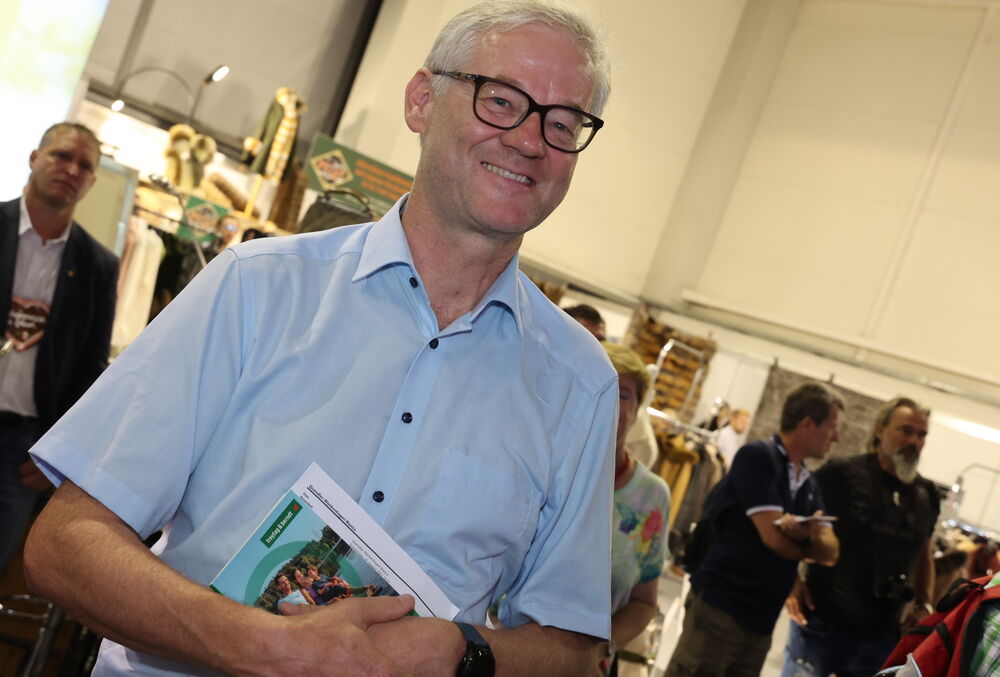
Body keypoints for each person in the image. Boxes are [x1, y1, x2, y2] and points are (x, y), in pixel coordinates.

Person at [24, 2, 616, 675]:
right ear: (421, 100)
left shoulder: (580, 384)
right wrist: (261, 644)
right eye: (501, 100)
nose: (530, 140)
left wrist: (466, 651)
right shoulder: (257, 287)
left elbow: (573, 650)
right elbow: (63, 544)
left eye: (562, 123)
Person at [0, 122, 117, 574]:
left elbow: (91, 369)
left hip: (22, 450)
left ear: (91, 182)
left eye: (84, 165)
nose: (71, 169)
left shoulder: (98, 266)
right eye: (61, 155)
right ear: (35, 158)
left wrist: (59, 450)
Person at [666, 383, 842, 677]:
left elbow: (831, 551)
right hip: (721, 607)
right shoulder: (758, 457)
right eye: (831, 427)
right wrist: (809, 542)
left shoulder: (808, 483)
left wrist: (802, 536)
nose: (835, 437)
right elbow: (773, 539)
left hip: (761, 621)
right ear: (807, 424)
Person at [782, 397, 940, 677]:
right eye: (905, 431)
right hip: (821, 626)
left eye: (921, 435)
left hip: (881, 638)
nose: (914, 441)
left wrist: (923, 604)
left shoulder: (926, 494)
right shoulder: (840, 474)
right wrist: (791, 583)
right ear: (880, 430)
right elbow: (790, 523)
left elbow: (924, 554)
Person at [601, 342, 670, 676]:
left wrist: (603, 647)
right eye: (601, 385)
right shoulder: (542, 470)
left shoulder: (650, 497)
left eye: (624, 394)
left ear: (638, 409)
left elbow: (644, 601)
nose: (610, 402)